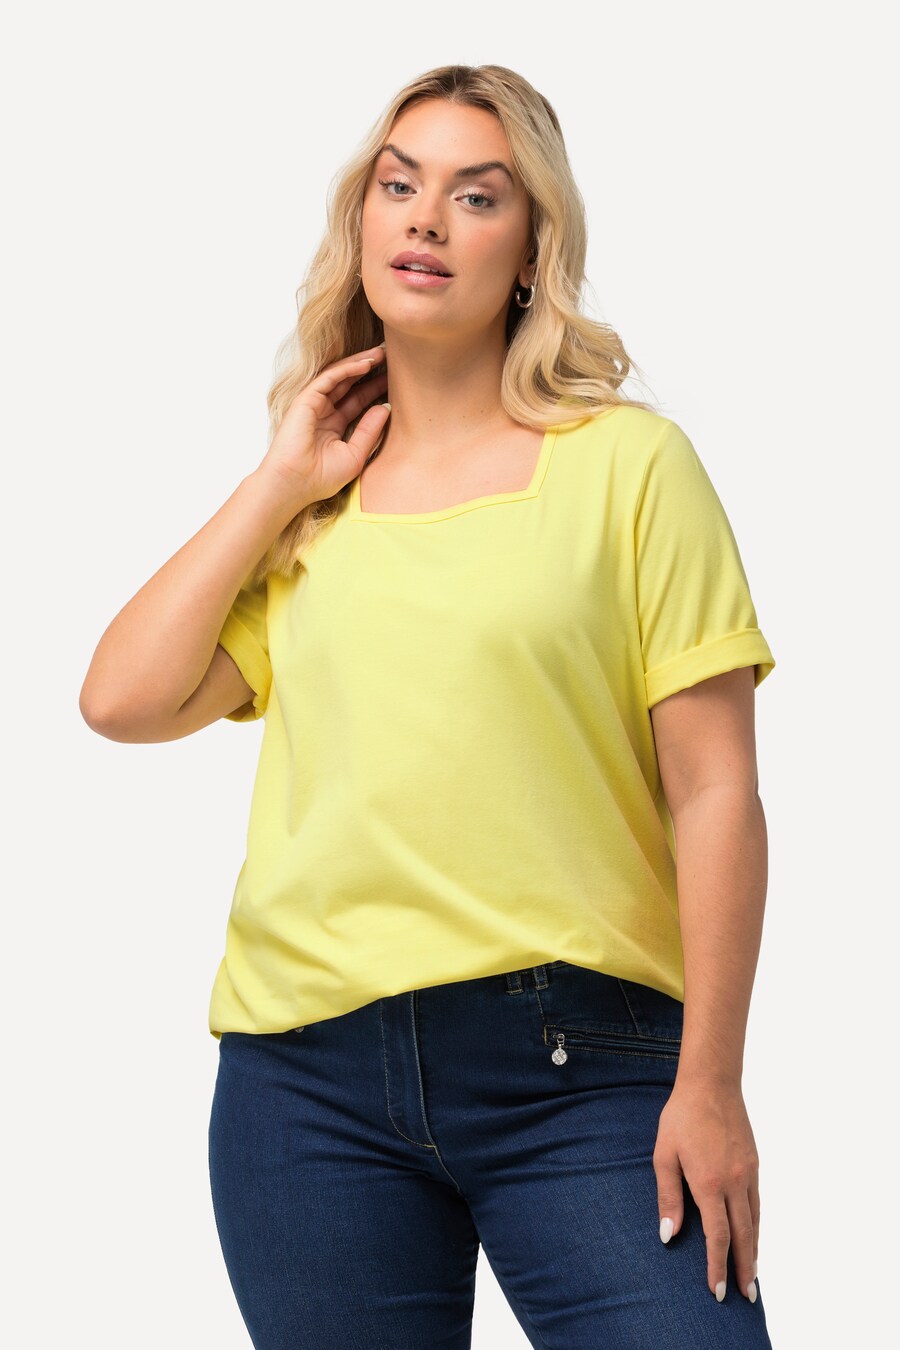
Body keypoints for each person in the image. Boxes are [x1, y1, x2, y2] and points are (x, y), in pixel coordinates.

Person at [80, 63, 776, 1350]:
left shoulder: (630, 468)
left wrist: (713, 1083)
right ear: (362, 219)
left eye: (476, 195)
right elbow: (121, 699)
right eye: (399, 185)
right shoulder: (316, 509)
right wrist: (277, 480)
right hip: (307, 1084)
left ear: (531, 251)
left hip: (584, 1065)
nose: (426, 218)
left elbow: (716, 789)